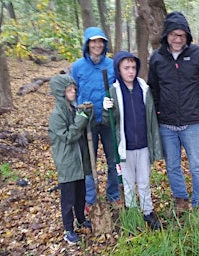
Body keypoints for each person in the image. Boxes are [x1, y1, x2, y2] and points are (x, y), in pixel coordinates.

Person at [147, 11, 199, 214]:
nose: (178, 39)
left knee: (197, 166)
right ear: (166, 35)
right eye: (173, 35)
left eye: (181, 35)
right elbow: (153, 89)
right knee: (172, 166)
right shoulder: (157, 58)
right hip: (166, 123)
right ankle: (180, 200)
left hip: (192, 122)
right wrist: (156, 115)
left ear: (186, 36)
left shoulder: (198, 55)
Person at [103, 51, 163, 230]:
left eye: (133, 67)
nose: (130, 71)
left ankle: (148, 212)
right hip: (125, 146)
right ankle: (132, 211)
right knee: (128, 182)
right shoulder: (114, 91)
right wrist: (107, 110)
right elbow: (110, 122)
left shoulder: (144, 89)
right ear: (118, 70)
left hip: (143, 144)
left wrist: (154, 144)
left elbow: (151, 117)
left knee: (144, 181)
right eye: (126, 68)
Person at [71, 27, 121, 212]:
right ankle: (90, 200)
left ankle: (114, 195)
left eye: (100, 42)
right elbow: (72, 91)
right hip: (87, 121)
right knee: (88, 161)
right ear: (87, 44)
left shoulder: (111, 65)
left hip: (108, 120)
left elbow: (118, 89)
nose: (97, 45)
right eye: (93, 42)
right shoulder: (78, 67)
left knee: (113, 159)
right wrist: (78, 110)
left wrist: (113, 104)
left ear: (104, 44)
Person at [48, 74, 93, 244]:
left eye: (73, 88)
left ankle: (81, 220)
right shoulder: (57, 115)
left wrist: (85, 114)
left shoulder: (73, 109)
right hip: (67, 163)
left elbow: (81, 129)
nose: (73, 92)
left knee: (81, 194)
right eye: (68, 90)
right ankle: (68, 229)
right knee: (68, 199)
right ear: (60, 93)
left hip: (79, 161)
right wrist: (81, 119)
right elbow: (68, 137)